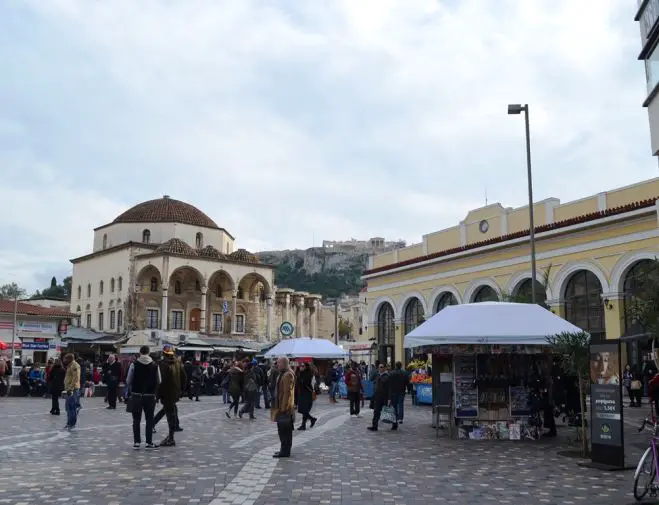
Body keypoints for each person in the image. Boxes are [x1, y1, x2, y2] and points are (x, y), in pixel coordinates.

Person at [126, 346, 161, 449]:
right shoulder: (155, 365)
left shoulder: (134, 364)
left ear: (140, 352)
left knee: (136, 420)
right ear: (149, 353)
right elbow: (159, 380)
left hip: (137, 395)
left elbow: (128, 380)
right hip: (150, 396)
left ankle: (137, 442)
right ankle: (149, 442)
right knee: (149, 419)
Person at [157, 346, 186, 447]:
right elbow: (184, 377)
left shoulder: (163, 364)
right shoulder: (178, 363)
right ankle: (170, 437)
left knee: (170, 416)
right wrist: (181, 390)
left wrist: (157, 395)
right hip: (175, 393)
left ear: (164, 354)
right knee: (171, 414)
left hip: (166, 393)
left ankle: (171, 438)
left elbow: (160, 381)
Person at [271, 357, 295, 458]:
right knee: (282, 430)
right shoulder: (283, 373)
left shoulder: (288, 374)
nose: (277, 364)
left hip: (284, 408)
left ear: (284, 363)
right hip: (280, 406)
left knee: (285, 431)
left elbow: (287, 393)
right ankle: (283, 449)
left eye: (279, 363)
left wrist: (283, 408)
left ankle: (285, 451)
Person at [368, 363, 393, 432]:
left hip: (384, 397)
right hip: (377, 396)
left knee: (389, 411)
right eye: (379, 367)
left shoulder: (387, 376)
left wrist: (389, 398)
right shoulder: (377, 375)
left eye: (381, 367)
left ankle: (394, 424)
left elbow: (390, 388)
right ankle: (374, 426)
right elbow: (371, 380)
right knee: (376, 411)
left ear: (384, 368)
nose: (380, 368)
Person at [296, 362, 317, 430]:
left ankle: (312, 419)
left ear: (306, 367)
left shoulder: (308, 374)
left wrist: (299, 376)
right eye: (300, 365)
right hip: (302, 393)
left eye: (302, 366)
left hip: (307, 393)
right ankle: (303, 425)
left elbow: (304, 383)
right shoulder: (302, 373)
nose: (301, 367)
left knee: (302, 409)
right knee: (304, 410)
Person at [62, 353, 81, 430]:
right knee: (67, 408)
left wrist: (71, 388)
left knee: (72, 408)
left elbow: (75, 378)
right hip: (68, 389)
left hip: (73, 389)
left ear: (69, 359)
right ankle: (69, 422)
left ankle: (72, 424)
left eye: (65, 358)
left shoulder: (74, 365)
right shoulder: (69, 365)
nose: (64, 360)